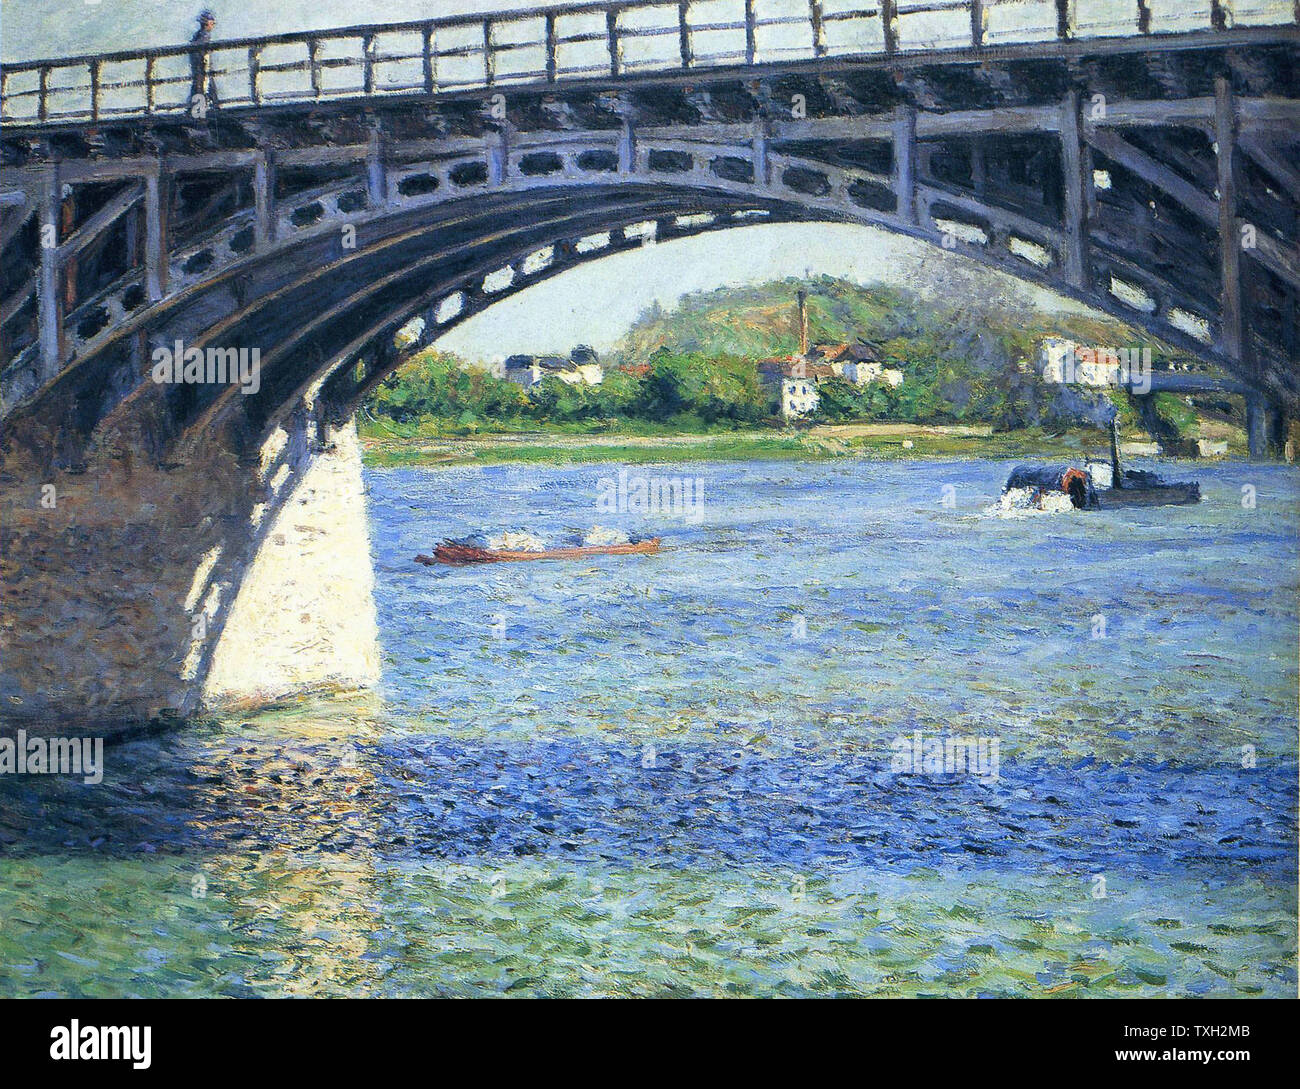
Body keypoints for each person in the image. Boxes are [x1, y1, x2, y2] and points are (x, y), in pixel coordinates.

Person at [189, 10, 219, 110]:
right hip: (203, 67)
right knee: (207, 87)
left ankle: (194, 109)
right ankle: (213, 107)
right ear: (208, 23)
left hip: (197, 67)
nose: (213, 25)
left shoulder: (197, 35)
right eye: (212, 23)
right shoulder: (204, 36)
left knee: (198, 88)